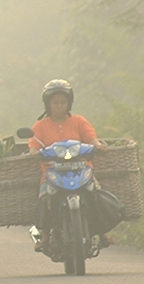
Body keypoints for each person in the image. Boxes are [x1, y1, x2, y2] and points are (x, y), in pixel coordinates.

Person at [27, 79, 113, 249]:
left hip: (81, 170)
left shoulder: (79, 121)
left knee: (96, 194)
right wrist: (35, 152)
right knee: (45, 199)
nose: (59, 106)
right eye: (55, 102)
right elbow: (33, 146)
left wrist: (98, 146)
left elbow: (91, 138)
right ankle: (45, 237)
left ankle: (102, 233)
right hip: (52, 173)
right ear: (48, 104)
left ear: (69, 103)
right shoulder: (40, 126)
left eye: (63, 102)